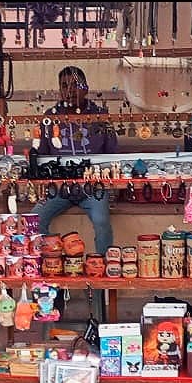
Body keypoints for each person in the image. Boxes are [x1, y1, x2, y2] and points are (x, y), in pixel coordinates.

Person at [32, 66, 119, 252]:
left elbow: (112, 153)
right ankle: (52, 260)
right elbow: (41, 155)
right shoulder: (50, 117)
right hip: (58, 187)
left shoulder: (100, 116)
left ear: (86, 88)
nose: (70, 91)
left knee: (102, 221)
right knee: (34, 219)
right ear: (59, 90)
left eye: (75, 85)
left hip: (93, 186)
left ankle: (102, 263)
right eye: (64, 86)